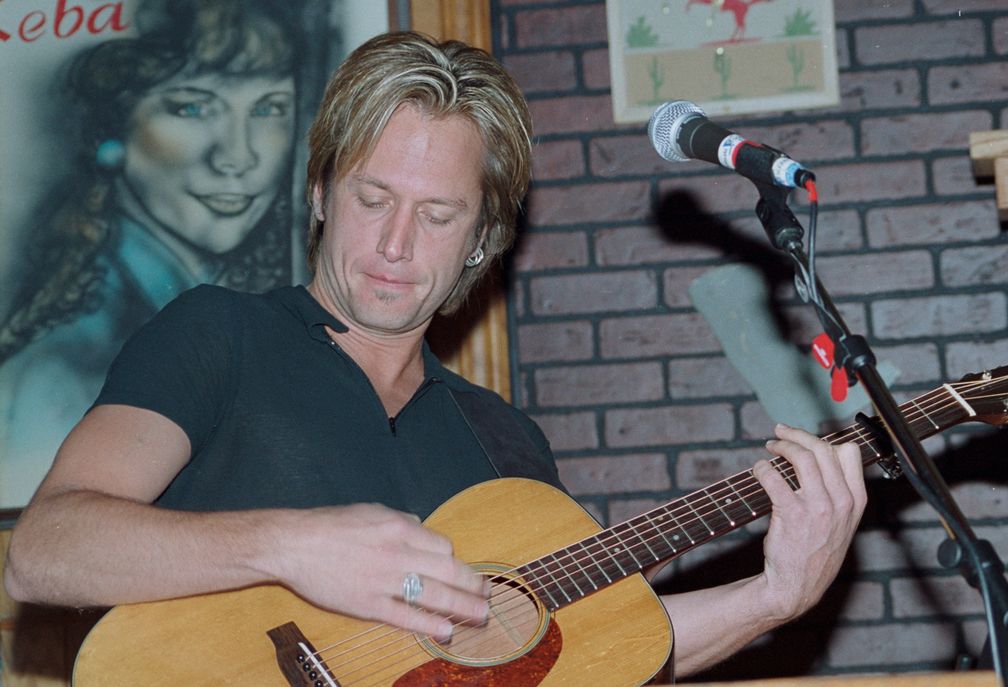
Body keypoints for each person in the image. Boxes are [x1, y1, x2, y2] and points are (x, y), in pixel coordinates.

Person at [3, 31, 866, 679]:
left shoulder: (505, 445)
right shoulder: (216, 333)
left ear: (482, 241)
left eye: (438, 215)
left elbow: (593, 651)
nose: (393, 242)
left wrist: (774, 597)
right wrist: (287, 546)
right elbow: (43, 552)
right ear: (317, 194)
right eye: (371, 196)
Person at [0, 0, 298, 506]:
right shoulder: (71, 367)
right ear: (114, 131)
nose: (239, 157)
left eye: (268, 108)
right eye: (192, 107)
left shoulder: (227, 315)